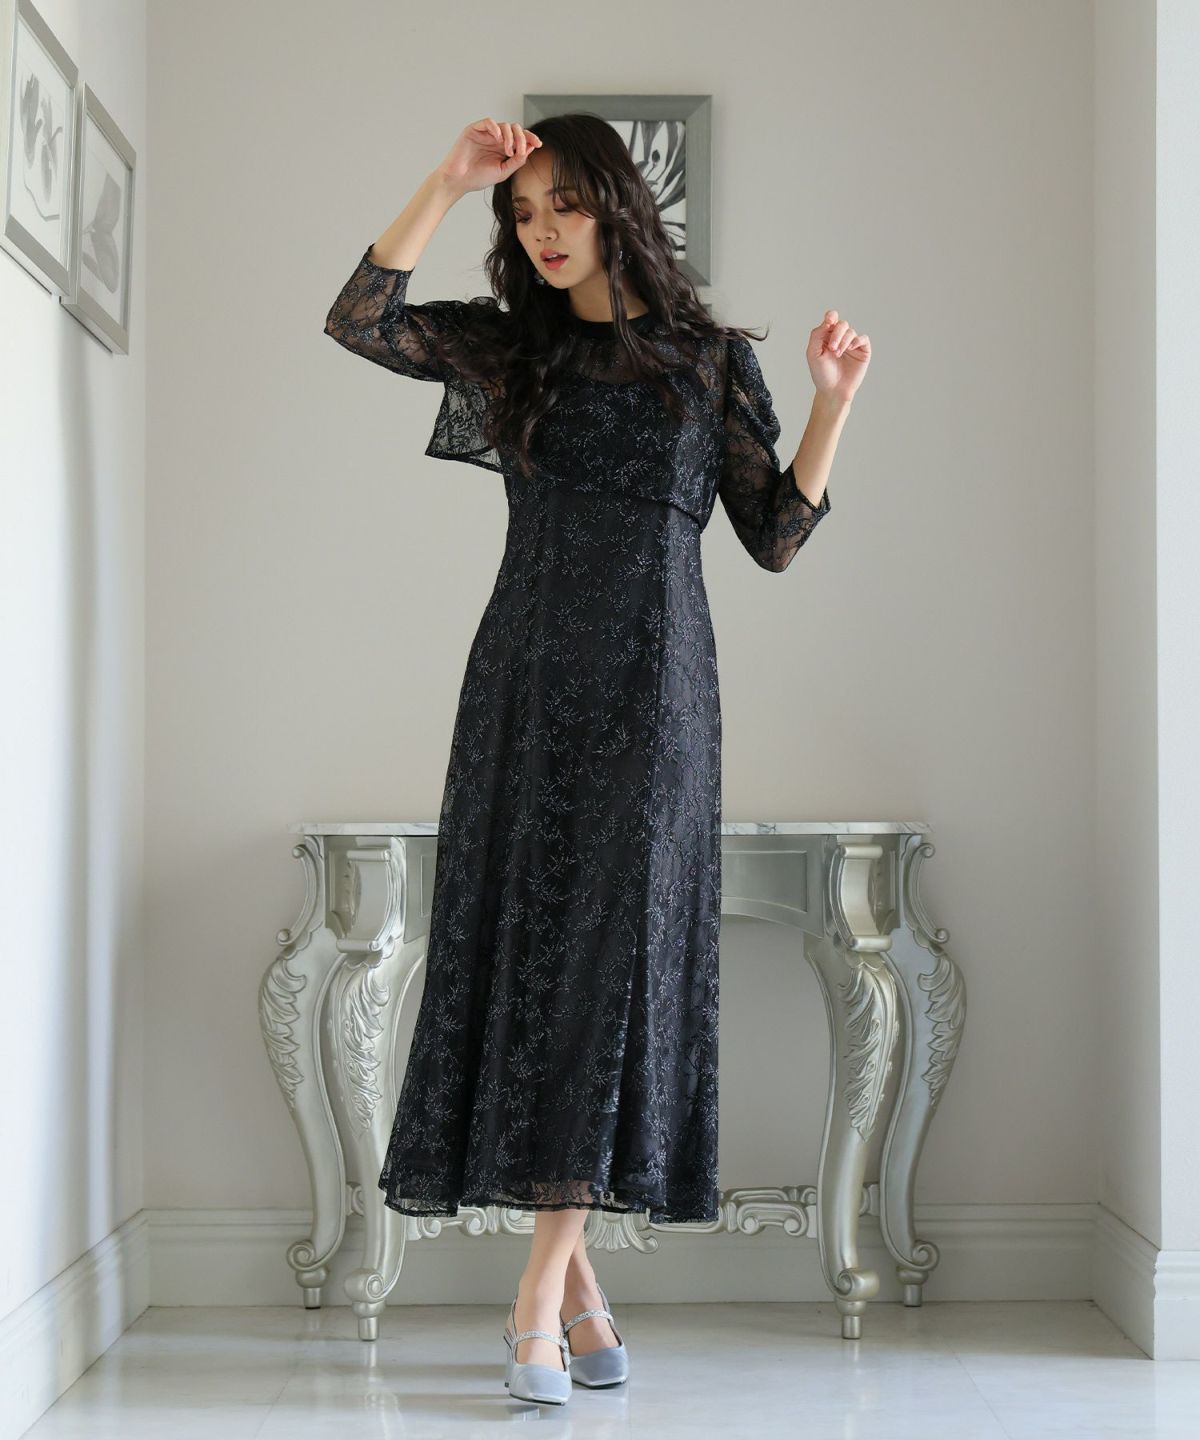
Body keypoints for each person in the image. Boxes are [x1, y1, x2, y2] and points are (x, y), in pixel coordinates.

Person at [323, 112, 870, 1406]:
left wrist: (833, 404)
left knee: (604, 975)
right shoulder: (514, 352)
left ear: (616, 205)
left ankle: (535, 1295)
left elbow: (775, 534)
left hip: (659, 700)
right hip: (523, 689)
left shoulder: (709, 363)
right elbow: (360, 318)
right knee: (531, 965)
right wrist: (447, 182)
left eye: (562, 203)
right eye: (522, 214)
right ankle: (578, 1294)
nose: (542, 231)